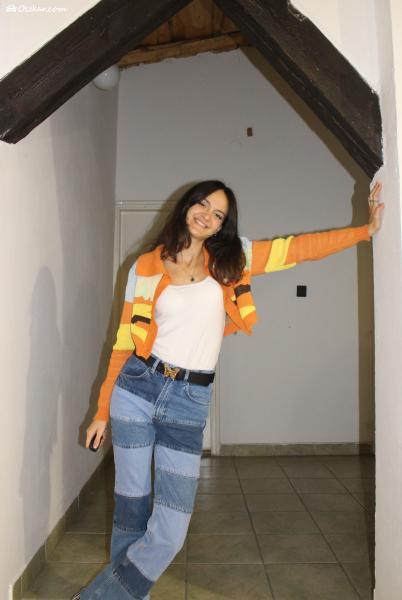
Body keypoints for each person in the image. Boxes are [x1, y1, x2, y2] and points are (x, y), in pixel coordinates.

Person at [73, 179, 384, 600]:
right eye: (203, 204)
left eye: (218, 214)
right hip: (137, 389)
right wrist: (101, 410)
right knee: (131, 509)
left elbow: (298, 248)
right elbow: (124, 342)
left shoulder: (231, 260)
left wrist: (365, 231)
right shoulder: (144, 267)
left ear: (222, 226)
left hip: (188, 400)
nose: (208, 216)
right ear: (187, 206)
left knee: (170, 529)